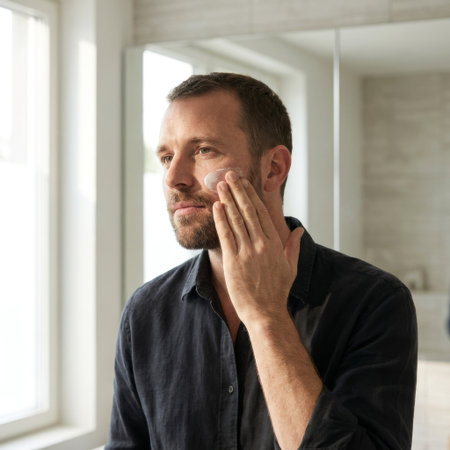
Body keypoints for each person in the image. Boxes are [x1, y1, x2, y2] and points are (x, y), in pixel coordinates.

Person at [106, 73, 417, 449]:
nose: (174, 178)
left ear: (274, 168)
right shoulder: (145, 312)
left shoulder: (374, 302)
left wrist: (267, 317)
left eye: (203, 150)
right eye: (167, 157)